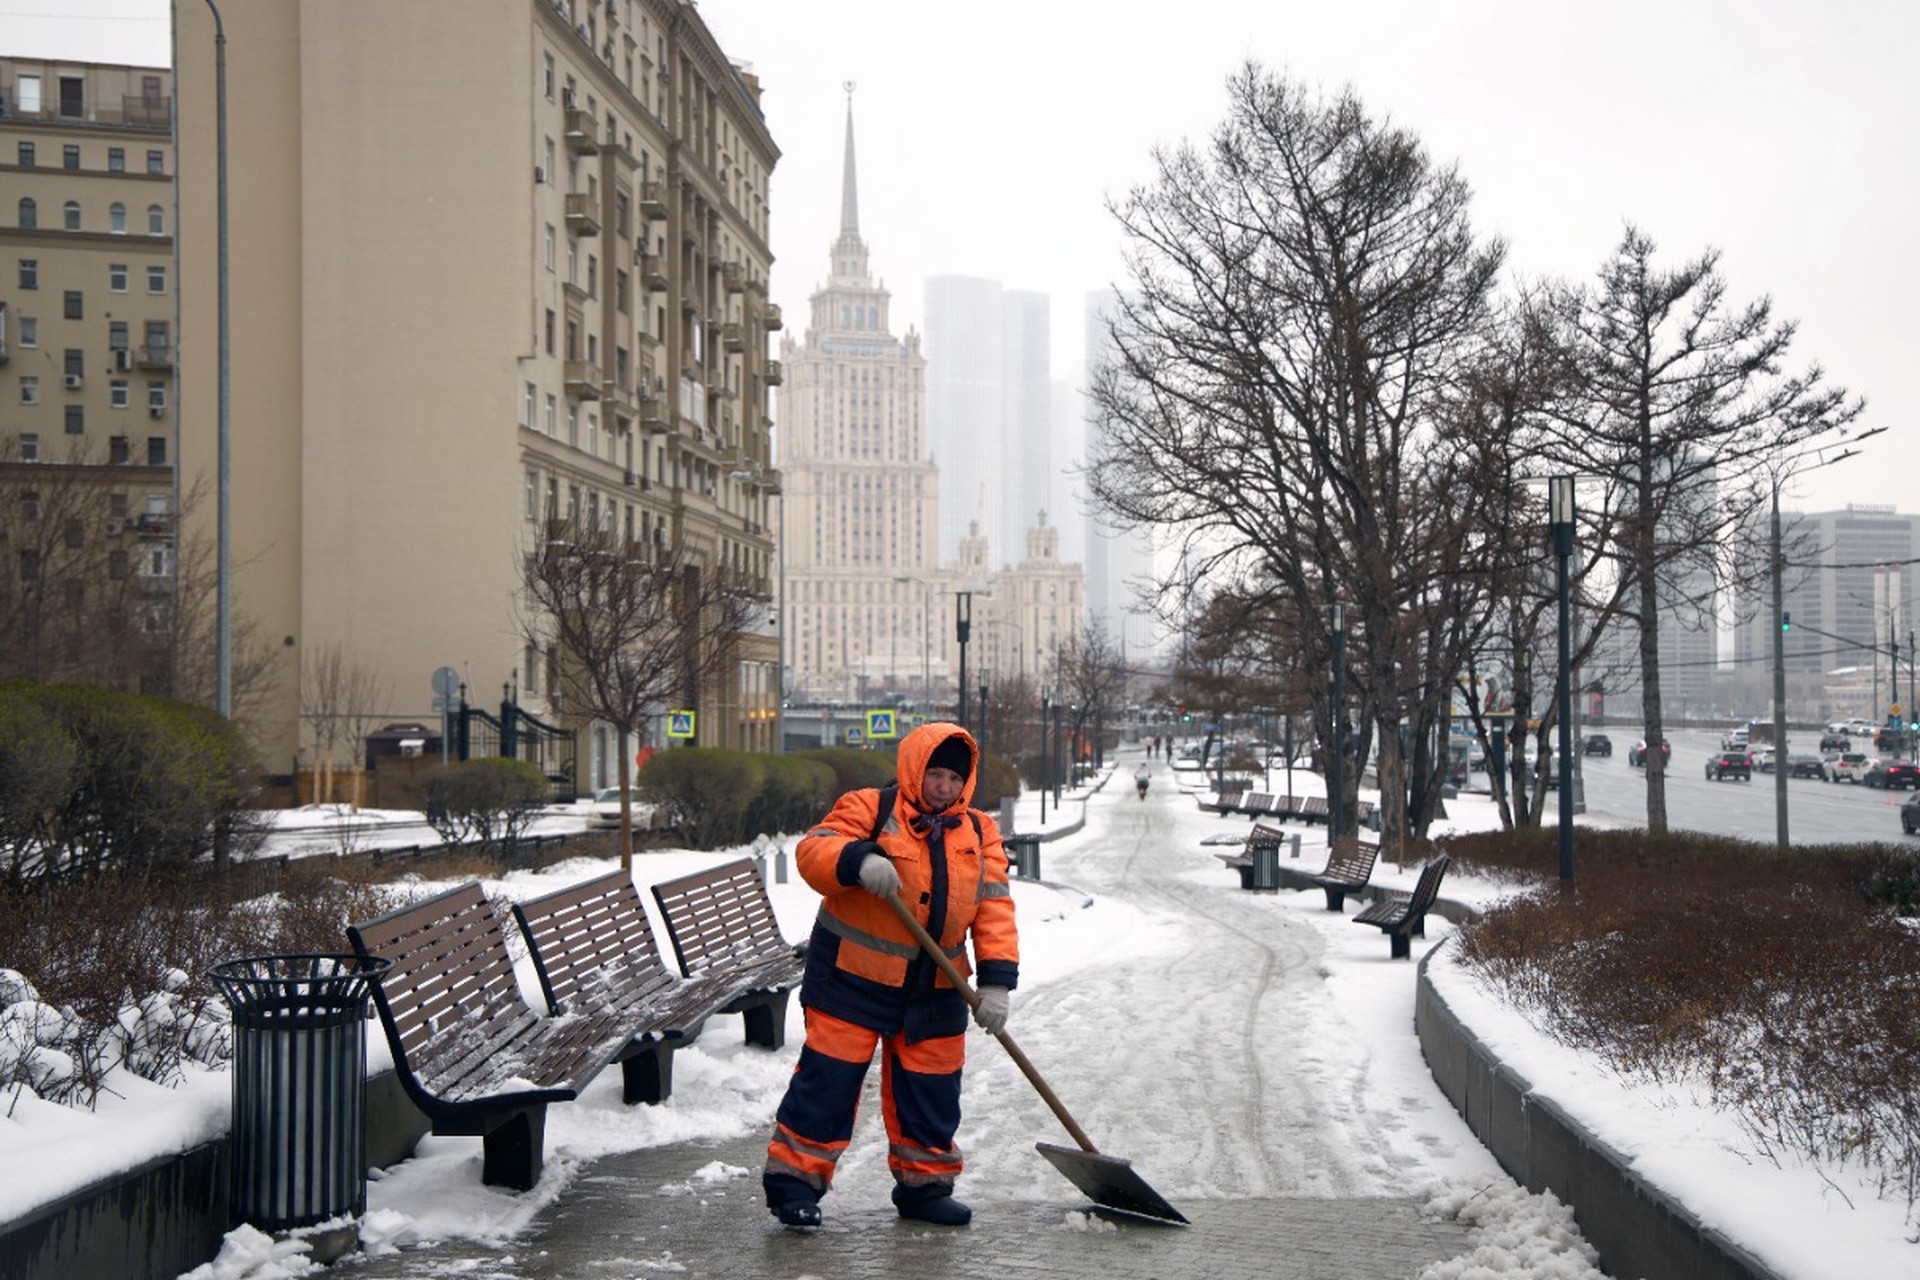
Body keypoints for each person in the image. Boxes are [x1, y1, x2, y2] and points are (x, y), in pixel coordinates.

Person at [762, 721, 1019, 1231]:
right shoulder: (870, 808)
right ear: (915, 769)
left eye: (953, 778)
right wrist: (857, 858)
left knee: (931, 1093)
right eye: (935, 774)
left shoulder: (979, 831)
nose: (943, 787)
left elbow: (994, 908)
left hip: (938, 987)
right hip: (851, 980)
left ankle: (926, 1187)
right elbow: (815, 850)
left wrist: (995, 982)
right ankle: (794, 1186)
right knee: (828, 1086)